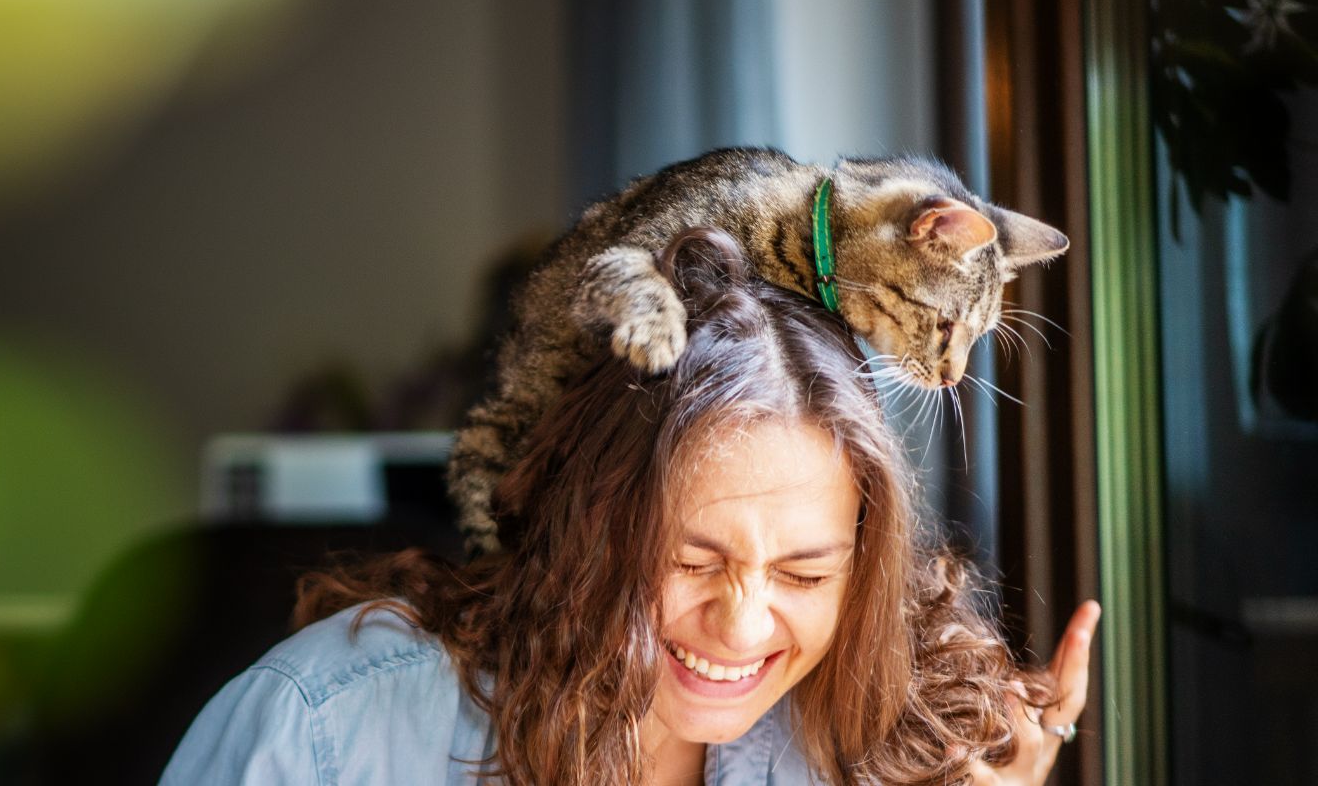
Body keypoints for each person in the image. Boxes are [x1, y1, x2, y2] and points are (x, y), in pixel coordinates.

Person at [161, 229, 1099, 785]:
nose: (740, 624)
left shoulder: (851, 752)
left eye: (805, 573)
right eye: (692, 561)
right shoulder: (328, 729)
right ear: (592, 525)